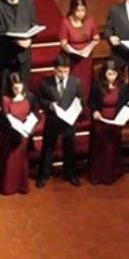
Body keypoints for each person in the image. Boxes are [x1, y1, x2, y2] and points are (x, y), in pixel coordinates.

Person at [37, 54, 85, 188]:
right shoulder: (45, 83)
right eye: (60, 71)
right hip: (53, 120)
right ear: (54, 70)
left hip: (69, 120)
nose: (63, 74)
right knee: (48, 148)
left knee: (70, 147)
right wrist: (49, 105)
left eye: (66, 71)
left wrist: (76, 110)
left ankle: (70, 174)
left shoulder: (76, 82)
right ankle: (44, 175)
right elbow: (40, 100)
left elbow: (80, 100)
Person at [88, 59, 129, 185]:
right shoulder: (97, 85)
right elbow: (90, 102)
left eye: (114, 74)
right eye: (109, 74)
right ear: (104, 74)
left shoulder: (123, 86)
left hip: (115, 121)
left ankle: (111, 174)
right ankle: (98, 175)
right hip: (101, 120)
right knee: (102, 148)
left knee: (112, 148)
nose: (111, 77)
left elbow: (126, 103)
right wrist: (95, 111)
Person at [0, 73, 37, 195]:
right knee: (10, 160)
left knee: (21, 159)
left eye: (20, 87)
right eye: (15, 88)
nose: (18, 90)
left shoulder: (30, 96)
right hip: (10, 134)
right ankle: (8, 187)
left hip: (24, 133)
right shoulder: (5, 99)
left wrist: (30, 124)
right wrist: (11, 126)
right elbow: (3, 117)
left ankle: (21, 185)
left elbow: (35, 112)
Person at [0, 0, 37, 98]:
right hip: (7, 56)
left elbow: (33, 25)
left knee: (23, 90)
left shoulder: (28, 3)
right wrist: (15, 41)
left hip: (24, 55)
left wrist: (30, 39)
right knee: (4, 91)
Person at [59, 0, 99, 104]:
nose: (80, 13)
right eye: (78, 10)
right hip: (72, 58)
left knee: (85, 83)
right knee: (73, 83)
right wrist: (71, 50)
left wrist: (88, 47)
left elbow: (96, 38)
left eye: (83, 10)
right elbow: (63, 43)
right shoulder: (66, 22)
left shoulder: (90, 20)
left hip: (85, 57)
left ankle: (84, 107)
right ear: (72, 10)